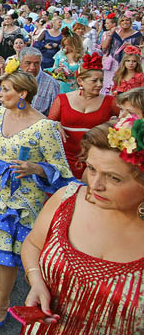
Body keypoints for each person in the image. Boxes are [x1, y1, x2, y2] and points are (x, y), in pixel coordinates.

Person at [0, 62, 74, 330]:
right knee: (3, 249)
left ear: (23, 94)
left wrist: (36, 167)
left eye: (5, 89)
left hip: (24, 200)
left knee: (7, 248)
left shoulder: (45, 127)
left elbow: (62, 169)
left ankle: (1, 305)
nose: (0, 93)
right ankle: (5, 278)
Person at [20, 119, 144, 334]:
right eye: (92, 169)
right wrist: (36, 279)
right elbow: (33, 244)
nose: (95, 185)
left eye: (114, 178)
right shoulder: (66, 199)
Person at [48, 53, 119, 179]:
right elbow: (47, 126)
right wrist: (56, 125)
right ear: (80, 80)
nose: (99, 84)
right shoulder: (62, 99)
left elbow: (129, 119)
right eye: (94, 81)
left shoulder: (110, 101)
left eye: (101, 80)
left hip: (94, 161)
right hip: (64, 160)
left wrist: (114, 125)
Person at [0, 47, 60, 117]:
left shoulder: (51, 84)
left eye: (36, 63)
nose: (32, 67)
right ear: (20, 62)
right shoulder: (10, 78)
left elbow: (54, 114)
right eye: (28, 63)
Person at [51, 28, 84, 93]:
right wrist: (57, 70)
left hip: (77, 90)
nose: (66, 47)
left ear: (75, 44)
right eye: (64, 45)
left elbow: (88, 74)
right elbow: (53, 69)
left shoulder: (83, 56)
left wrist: (75, 74)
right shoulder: (60, 54)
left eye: (68, 45)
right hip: (61, 89)